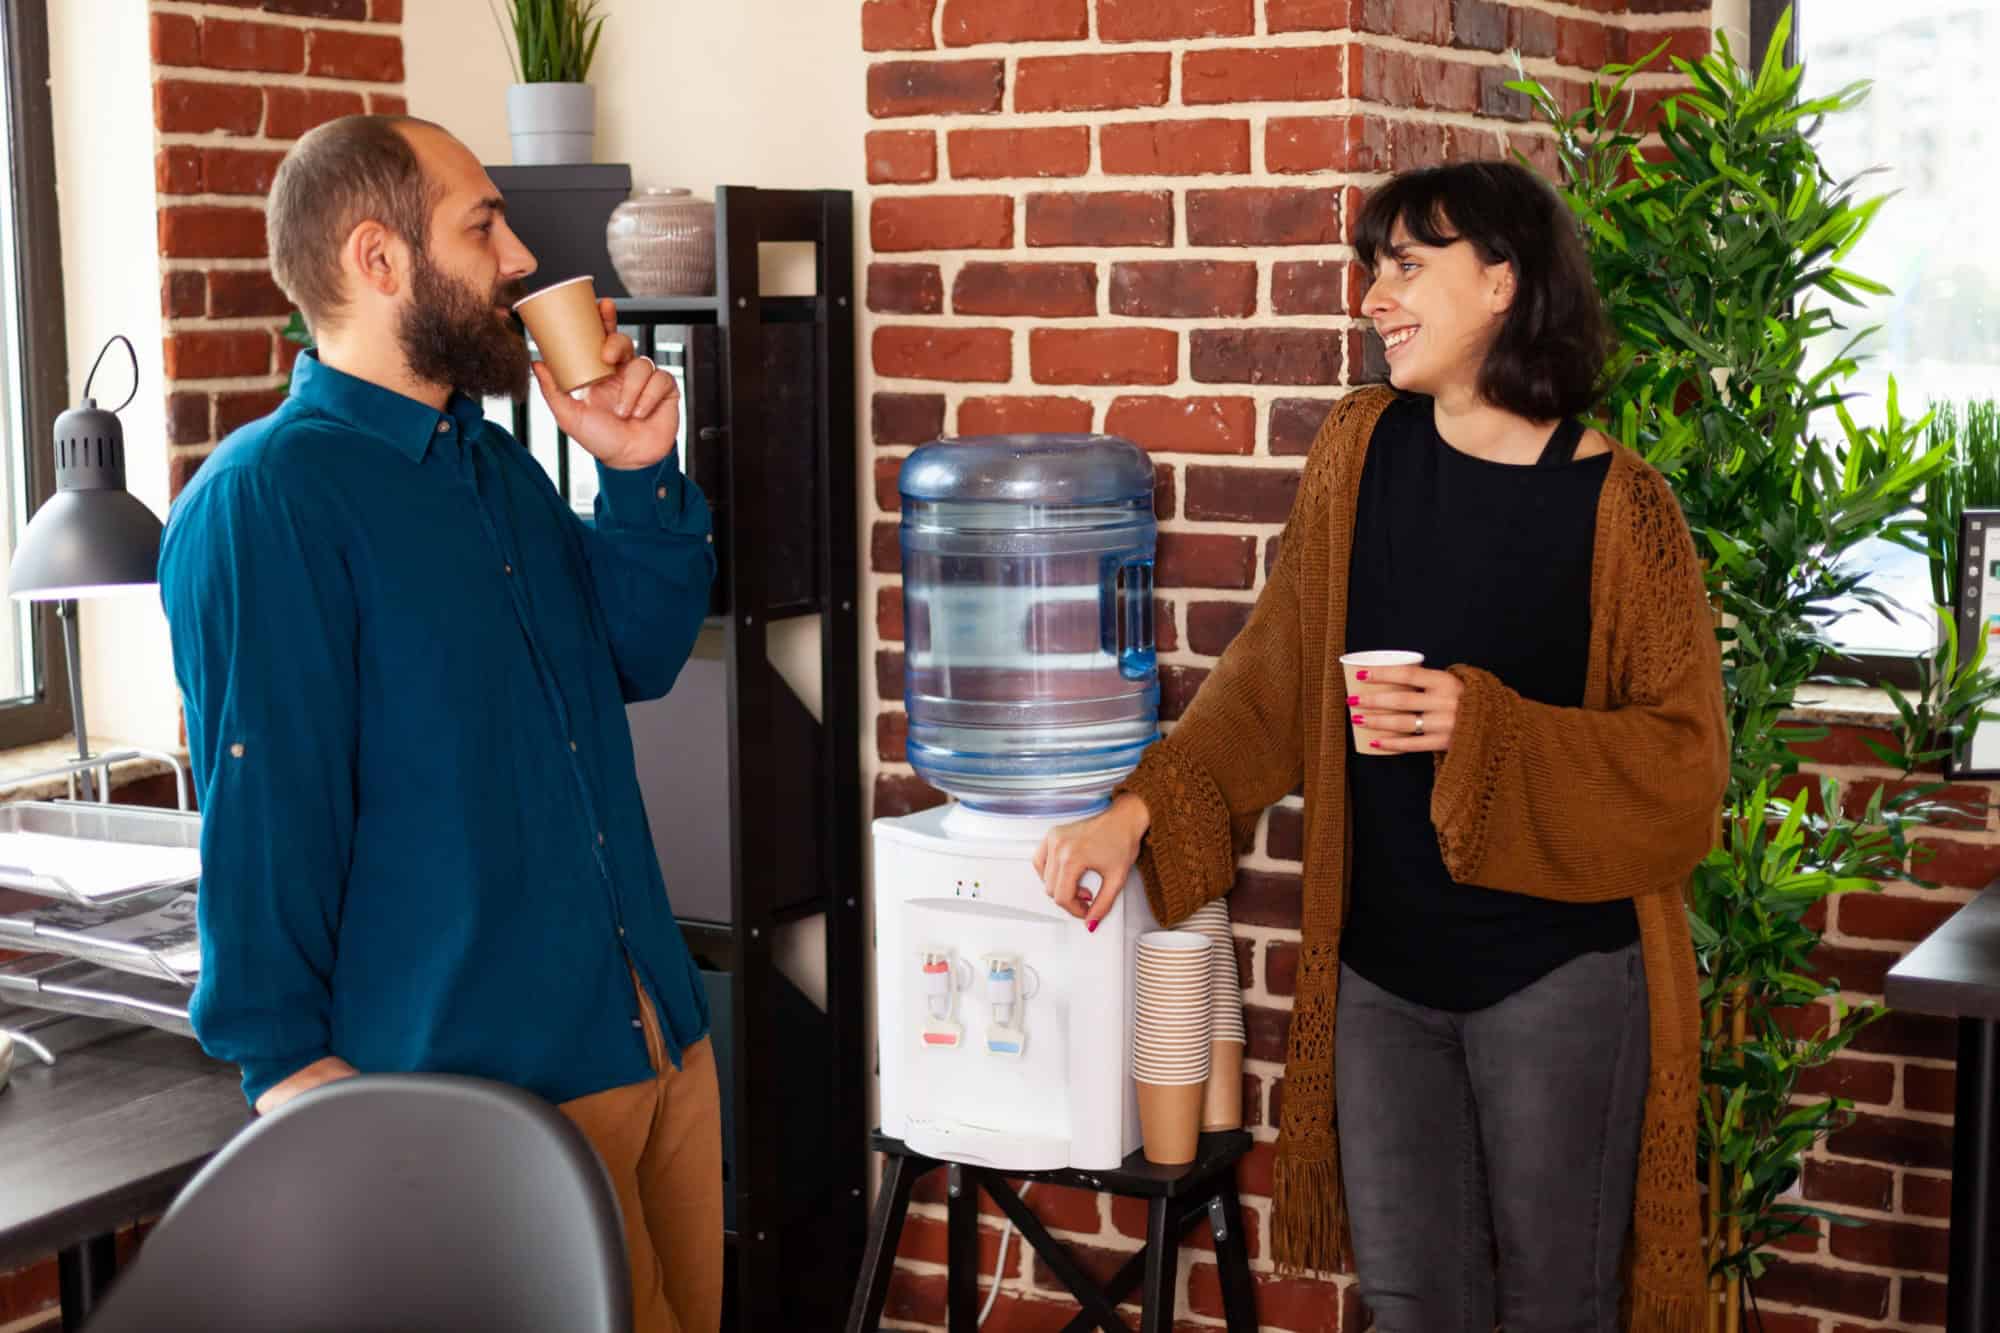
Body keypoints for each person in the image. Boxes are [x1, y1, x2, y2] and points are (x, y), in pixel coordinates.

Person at [1033, 160, 1728, 1332]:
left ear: (1502, 282)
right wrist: (1132, 811)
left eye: (1407, 265)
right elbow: (1269, 673)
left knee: (1555, 1308)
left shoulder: (1621, 510)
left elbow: (1681, 773)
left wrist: (1483, 726)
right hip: (1378, 981)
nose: (1372, 295)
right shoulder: (1361, 453)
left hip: (1556, 985)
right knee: (1411, 1306)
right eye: (1371, 268)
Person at [159, 115, 721, 1333]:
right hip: (497, 1105)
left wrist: (633, 472)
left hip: (653, 1041)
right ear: (377, 259)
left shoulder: (492, 466)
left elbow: (636, 654)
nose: (518, 257)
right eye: (482, 225)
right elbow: (264, 807)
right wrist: (290, 1076)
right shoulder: (267, 505)